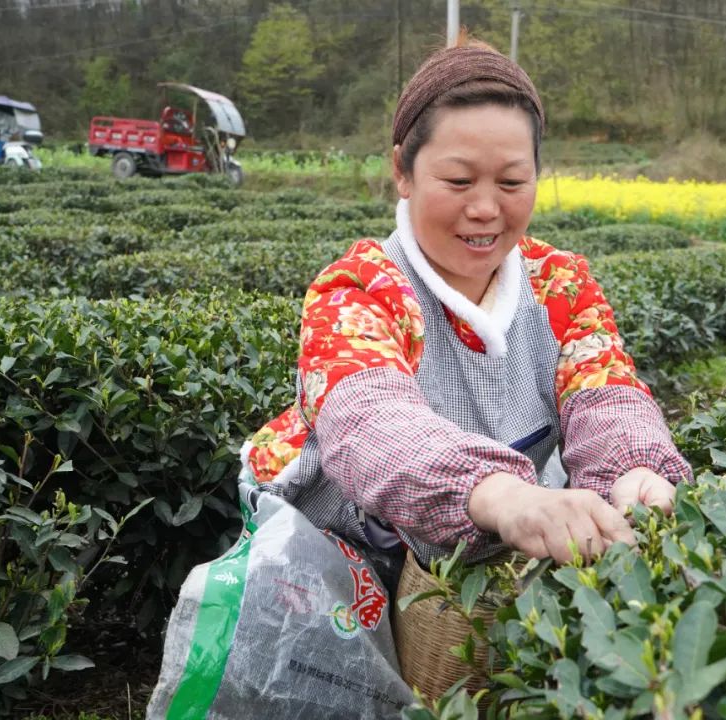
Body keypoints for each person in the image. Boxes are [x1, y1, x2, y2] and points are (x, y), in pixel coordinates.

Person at [242, 36, 692, 576]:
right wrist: (499, 494)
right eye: (458, 181)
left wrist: (633, 470)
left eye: (511, 182)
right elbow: (369, 423)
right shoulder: (361, 288)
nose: (484, 209)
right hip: (337, 559)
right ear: (402, 173)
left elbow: (605, 391)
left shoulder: (559, 285)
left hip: (458, 571)